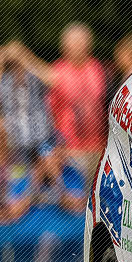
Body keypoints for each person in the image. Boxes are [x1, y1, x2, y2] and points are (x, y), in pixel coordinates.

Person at [15, 22, 108, 184]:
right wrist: (22, 54)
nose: (80, 45)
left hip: (98, 148)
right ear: (64, 46)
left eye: (83, 41)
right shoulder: (58, 70)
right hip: (69, 150)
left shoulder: (97, 68)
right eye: (75, 42)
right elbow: (41, 72)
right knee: (77, 195)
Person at [0, 40, 53, 161]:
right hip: (16, 144)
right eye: (12, 64)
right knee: (21, 173)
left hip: (43, 139)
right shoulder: (5, 81)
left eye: (17, 62)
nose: (16, 66)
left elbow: (52, 80)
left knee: (48, 168)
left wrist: (25, 56)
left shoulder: (34, 77)